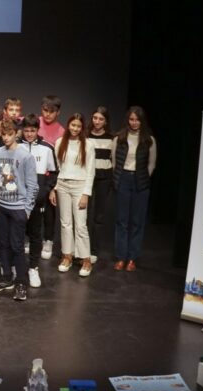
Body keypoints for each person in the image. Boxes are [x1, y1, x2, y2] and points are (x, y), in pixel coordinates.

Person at [0, 119, 38, 301]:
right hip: (1, 206)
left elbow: (33, 185)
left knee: (17, 246)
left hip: (18, 207)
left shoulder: (25, 156)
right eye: (3, 134)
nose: (5, 137)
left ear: (16, 134)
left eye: (9, 134)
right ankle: (7, 278)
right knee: (2, 244)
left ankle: (21, 283)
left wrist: (27, 209)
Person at [50, 113, 95, 277]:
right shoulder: (60, 142)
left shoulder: (88, 145)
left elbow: (91, 172)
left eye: (78, 126)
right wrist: (54, 188)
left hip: (79, 186)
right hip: (63, 185)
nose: (75, 128)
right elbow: (59, 168)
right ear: (68, 125)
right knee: (65, 223)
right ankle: (67, 255)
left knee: (81, 225)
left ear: (82, 128)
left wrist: (86, 194)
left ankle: (86, 259)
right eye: (72, 125)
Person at [112, 106, 157, 272]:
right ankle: (121, 257)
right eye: (131, 119)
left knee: (137, 222)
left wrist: (143, 178)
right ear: (127, 120)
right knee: (121, 221)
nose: (134, 122)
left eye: (137, 119)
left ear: (142, 121)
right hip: (123, 179)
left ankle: (132, 258)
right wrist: (119, 178)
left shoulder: (149, 140)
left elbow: (151, 164)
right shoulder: (119, 138)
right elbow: (115, 162)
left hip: (140, 182)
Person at [18, 114, 57, 287]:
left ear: (37, 130)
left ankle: (33, 268)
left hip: (37, 201)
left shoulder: (47, 148)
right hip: (18, 201)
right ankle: (17, 267)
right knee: (18, 236)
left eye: (32, 130)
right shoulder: (16, 146)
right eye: (26, 130)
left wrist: (45, 190)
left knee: (35, 235)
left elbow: (54, 172)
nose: (29, 134)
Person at [86, 106, 114, 264]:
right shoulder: (86, 136)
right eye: (95, 118)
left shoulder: (112, 138)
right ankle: (82, 248)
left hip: (104, 177)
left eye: (101, 119)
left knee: (99, 215)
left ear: (106, 121)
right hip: (88, 177)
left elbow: (114, 160)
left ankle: (94, 250)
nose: (97, 121)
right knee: (85, 213)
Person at [39, 95, 65, 261]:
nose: (47, 114)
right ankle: (29, 239)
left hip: (50, 178)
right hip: (34, 176)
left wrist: (54, 187)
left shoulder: (62, 132)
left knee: (49, 211)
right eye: (45, 110)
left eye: (52, 111)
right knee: (31, 210)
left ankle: (48, 241)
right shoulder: (34, 123)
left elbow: (61, 162)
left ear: (58, 112)